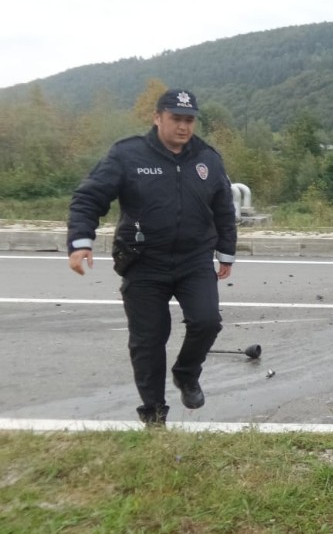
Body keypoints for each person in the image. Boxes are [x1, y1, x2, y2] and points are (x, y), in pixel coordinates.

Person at [67, 89, 237, 427]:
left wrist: (226, 252)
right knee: (148, 341)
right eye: (176, 118)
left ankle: (186, 374)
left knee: (207, 322)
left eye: (189, 120)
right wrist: (80, 241)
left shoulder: (207, 158)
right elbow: (89, 197)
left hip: (193, 260)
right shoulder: (128, 154)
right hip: (143, 262)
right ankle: (154, 414)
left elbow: (223, 208)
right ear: (157, 117)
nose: (184, 126)